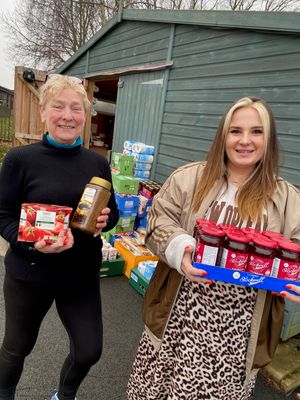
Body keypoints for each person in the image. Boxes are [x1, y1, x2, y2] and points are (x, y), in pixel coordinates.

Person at [126, 96, 300, 400]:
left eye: (256, 132)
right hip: (177, 316)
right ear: (223, 135)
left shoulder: (287, 198)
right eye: (235, 131)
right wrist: (181, 249)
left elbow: (295, 250)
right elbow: (157, 222)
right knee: (155, 390)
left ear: (268, 139)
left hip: (240, 331)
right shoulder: (189, 178)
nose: (245, 141)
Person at [0, 74, 119, 400]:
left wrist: (106, 220)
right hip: (29, 273)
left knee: (88, 351)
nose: (68, 116)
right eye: (59, 107)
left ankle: (64, 395)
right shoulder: (19, 160)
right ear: (42, 111)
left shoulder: (97, 162)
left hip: (79, 275)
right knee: (16, 348)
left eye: (76, 108)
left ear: (85, 114)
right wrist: (29, 242)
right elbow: (3, 215)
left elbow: (113, 215)